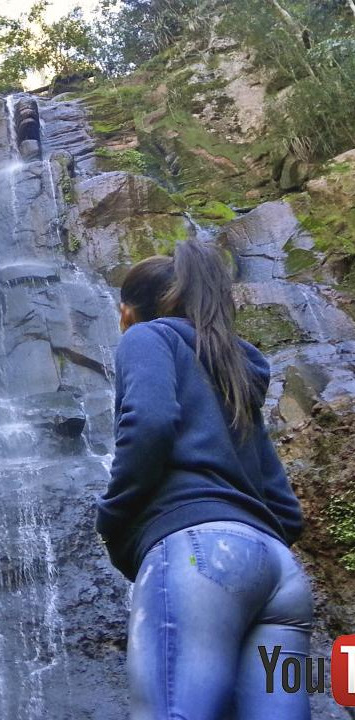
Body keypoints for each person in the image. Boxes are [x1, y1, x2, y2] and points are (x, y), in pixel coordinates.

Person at [96, 238, 311, 720]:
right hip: (281, 579)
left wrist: (113, 518)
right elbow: (283, 502)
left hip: (202, 558)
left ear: (128, 311)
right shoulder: (231, 366)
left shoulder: (146, 338)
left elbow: (149, 422)